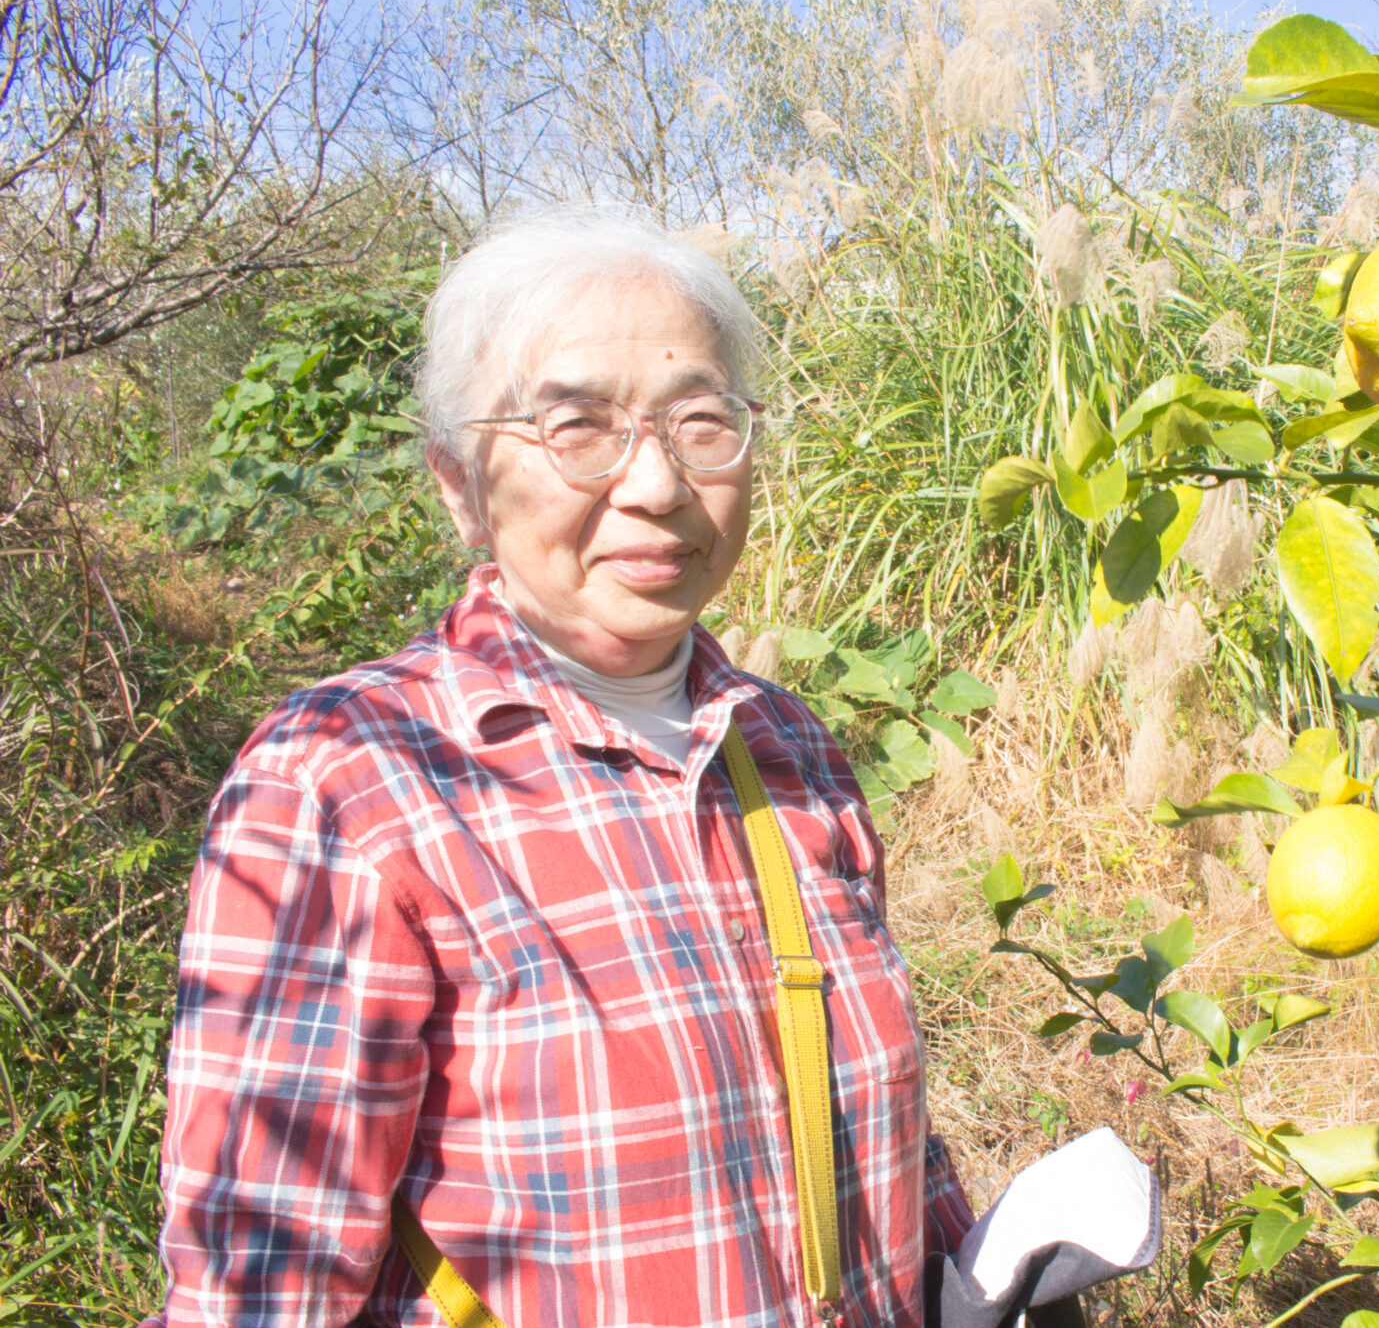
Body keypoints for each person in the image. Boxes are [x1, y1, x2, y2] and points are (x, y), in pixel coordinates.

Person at [148, 208, 975, 1327]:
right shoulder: (347, 782)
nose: (656, 486)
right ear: (459, 481)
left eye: (700, 422)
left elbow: (883, 1138)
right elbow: (260, 1289)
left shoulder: (782, 746)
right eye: (577, 428)